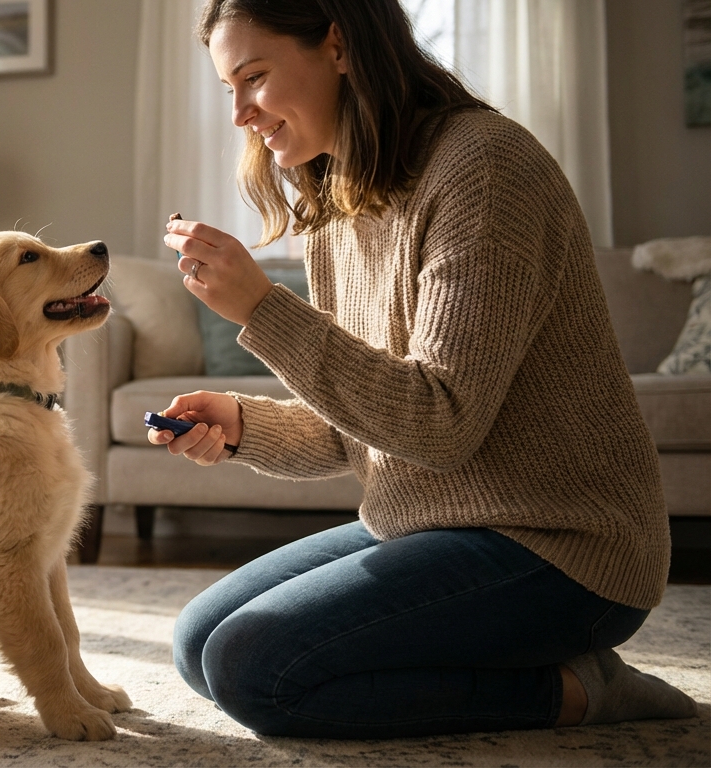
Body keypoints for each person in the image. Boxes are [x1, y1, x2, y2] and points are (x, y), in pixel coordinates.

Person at [150, 0, 699, 739]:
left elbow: (439, 422)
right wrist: (243, 424)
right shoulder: (334, 200)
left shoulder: (485, 168)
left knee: (255, 669)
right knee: (198, 648)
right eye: (230, 89)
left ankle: (578, 689)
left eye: (254, 77)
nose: (242, 113)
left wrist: (262, 309)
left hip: (564, 547)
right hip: (428, 527)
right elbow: (364, 426)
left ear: (338, 45)